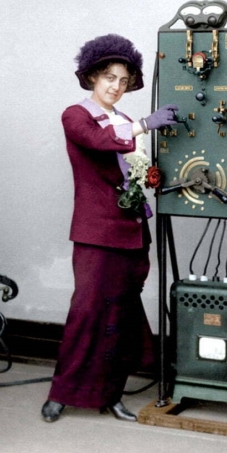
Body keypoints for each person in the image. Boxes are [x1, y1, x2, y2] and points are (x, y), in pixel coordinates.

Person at [41, 34, 178, 423]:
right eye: (108, 77)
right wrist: (145, 125)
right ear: (92, 77)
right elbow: (97, 141)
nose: (116, 86)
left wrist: (157, 176)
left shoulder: (126, 122)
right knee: (86, 313)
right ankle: (61, 394)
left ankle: (111, 394)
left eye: (123, 80)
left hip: (132, 232)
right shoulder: (76, 115)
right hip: (96, 233)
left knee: (121, 316)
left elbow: (138, 171)